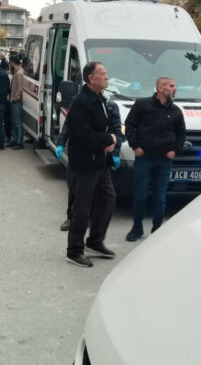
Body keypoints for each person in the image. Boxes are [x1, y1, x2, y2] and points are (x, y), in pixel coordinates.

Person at [65, 62, 117, 267]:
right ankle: (74, 250)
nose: (107, 77)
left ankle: (95, 241)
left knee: (108, 200)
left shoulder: (99, 99)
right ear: (90, 78)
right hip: (84, 164)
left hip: (99, 162)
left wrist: (111, 138)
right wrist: (108, 140)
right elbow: (84, 135)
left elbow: (108, 124)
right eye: (102, 74)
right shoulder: (81, 102)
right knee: (82, 209)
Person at [124, 77, 186, 241]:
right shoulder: (142, 105)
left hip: (164, 160)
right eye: (171, 86)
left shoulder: (176, 111)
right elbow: (129, 125)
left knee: (160, 197)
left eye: (175, 85)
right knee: (141, 195)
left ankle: (157, 231)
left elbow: (181, 134)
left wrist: (175, 150)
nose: (175, 88)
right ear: (160, 88)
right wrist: (135, 146)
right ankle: (137, 229)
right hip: (144, 158)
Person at [57, 99, 123, 231]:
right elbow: (68, 125)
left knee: (98, 189)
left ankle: (92, 219)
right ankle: (71, 218)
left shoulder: (110, 106)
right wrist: (61, 142)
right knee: (74, 187)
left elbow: (116, 130)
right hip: (79, 154)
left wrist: (115, 152)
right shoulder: (79, 102)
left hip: (100, 152)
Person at [8, 56, 25, 149]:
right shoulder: (17, 72)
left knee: (18, 122)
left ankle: (19, 142)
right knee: (14, 121)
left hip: (16, 101)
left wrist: (16, 98)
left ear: (13, 63)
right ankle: (14, 140)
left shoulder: (19, 73)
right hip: (13, 100)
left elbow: (20, 88)